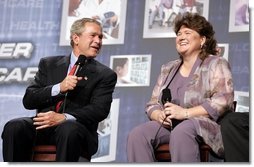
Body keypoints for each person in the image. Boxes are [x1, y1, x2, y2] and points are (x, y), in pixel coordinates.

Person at [1, 18, 117, 162]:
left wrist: (64, 117)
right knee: (14, 127)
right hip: (43, 126)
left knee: (68, 129)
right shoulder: (49, 64)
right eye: (93, 35)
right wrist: (58, 88)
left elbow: (99, 110)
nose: (98, 41)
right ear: (76, 38)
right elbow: (29, 99)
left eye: (100, 37)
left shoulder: (105, 74)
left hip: (77, 130)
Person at [127, 12, 234, 162]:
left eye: (187, 33)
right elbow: (152, 103)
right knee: (138, 134)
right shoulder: (168, 68)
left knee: (182, 131)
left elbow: (223, 101)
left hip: (205, 127)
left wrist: (185, 113)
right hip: (170, 126)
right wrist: (158, 114)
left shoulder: (216, 63)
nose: (181, 37)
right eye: (179, 34)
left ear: (202, 40)